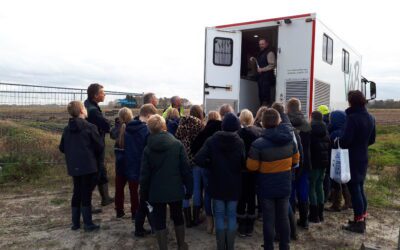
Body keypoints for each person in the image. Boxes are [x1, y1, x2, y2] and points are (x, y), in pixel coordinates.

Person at [247, 108, 299, 250]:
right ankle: (285, 246)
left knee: (269, 219)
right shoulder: (290, 140)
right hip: (284, 184)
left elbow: (251, 166)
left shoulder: (258, 144)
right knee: (283, 218)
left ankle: (268, 247)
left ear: (263, 123)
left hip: (266, 187)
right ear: (278, 121)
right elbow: (295, 161)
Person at [140, 114, 193, 250]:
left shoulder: (147, 149)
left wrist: (143, 193)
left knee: (159, 219)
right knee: (177, 216)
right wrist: (189, 188)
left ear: (149, 129)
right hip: (175, 189)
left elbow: (145, 175)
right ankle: (181, 245)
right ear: (165, 127)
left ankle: (163, 247)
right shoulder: (177, 144)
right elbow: (185, 169)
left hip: (156, 191)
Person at [195, 112, 245, 250]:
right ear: (236, 127)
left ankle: (221, 247)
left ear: (222, 126)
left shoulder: (212, 140)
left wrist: (210, 164)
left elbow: (198, 159)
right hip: (234, 185)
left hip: (216, 184)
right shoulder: (239, 142)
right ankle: (230, 247)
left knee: (219, 216)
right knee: (231, 216)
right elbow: (244, 163)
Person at [59, 101, 104, 232]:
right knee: (86, 194)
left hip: (74, 166)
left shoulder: (67, 129)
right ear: (82, 111)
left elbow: (62, 147)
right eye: (84, 107)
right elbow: (99, 146)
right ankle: (88, 224)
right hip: (89, 166)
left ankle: (75, 223)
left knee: (77, 193)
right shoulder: (90, 127)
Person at [339, 90, 376, 234]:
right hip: (363, 156)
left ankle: (358, 222)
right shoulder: (371, 117)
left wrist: (337, 141)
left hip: (352, 158)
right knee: (360, 188)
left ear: (351, 102)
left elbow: (346, 140)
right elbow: (372, 139)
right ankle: (362, 218)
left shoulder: (352, 118)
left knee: (354, 190)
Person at [123, 104, 157, 237]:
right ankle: (153, 226)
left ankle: (140, 228)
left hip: (131, 167)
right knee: (147, 200)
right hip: (144, 169)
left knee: (143, 199)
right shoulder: (145, 131)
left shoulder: (128, 128)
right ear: (149, 116)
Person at [271, 102, 301, 240]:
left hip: (280, 170)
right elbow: (298, 151)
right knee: (285, 202)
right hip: (290, 169)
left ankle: (284, 234)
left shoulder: (278, 128)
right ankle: (292, 231)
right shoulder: (291, 128)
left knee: (282, 204)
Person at [191, 110, 222, 234]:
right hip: (220, 168)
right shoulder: (222, 130)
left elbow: (194, 149)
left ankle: (209, 224)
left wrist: (205, 162)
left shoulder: (203, 131)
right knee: (218, 194)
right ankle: (218, 223)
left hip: (205, 167)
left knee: (207, 193)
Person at [84, 83, 114, 207]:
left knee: (101, 171)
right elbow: (106, 126)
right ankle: (85, 204)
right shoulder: (93, 111)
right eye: (102, 92)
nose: (104, 94)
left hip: (93, 144)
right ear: (95, 95)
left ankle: (105, 198)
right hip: (94, 146)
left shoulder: (88, 104)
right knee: (95, 174)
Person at [175, 105, 204, 227]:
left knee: (185, 190)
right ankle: (196, 218)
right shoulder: (200, 125)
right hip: (196, 161)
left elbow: (177, 140)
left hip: (183, 161)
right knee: (197, 189)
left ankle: (187, 220)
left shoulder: (181, 124)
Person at [236, 109, 263, 237]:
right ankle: (250, 226)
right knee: (252, 197)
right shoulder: (258, 132)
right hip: (254, 170)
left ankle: (241, 225)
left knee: (241, 197)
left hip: (241, 170)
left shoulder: (238, 133)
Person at [287, 98, 312, 229]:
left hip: (291, 162)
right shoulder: (307, 124)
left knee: (290, 191)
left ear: (288, 108)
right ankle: (304, 221)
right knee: (303, 191)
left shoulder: (287, 124)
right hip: (305, 162)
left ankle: (291, 222)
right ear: (299, 108)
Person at [326, 110, 352, 212]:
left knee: (336, 182)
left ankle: (336, 204)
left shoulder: (335, 133)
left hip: (335, 161)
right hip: (345, 160)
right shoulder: (346, 130)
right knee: (344, 182)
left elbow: (331, 148)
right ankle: (348, 202)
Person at [308, 111, 331, 223]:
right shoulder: (326, 131)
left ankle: (313, 215)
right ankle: (321, 214)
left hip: (314, 163)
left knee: (311, 187)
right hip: (323, 164)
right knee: (320, 186)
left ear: (312, 118)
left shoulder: (310, 130)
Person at [113, 107, 135, 219]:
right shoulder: (134, 128)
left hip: (120, 163)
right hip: (132, 163)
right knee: (134, 189)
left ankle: (119, 211)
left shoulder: (116, 129)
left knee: (119, 189)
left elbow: (112, 133)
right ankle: (135, 212)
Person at [250, 38, 276, 106]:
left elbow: (272, 65)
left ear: (267, 44)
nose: (261, 45)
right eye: (260, 44)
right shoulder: (261, 53)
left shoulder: (270, 53)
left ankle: (265, 112)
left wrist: (262, 69)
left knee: (265, 98)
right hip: (261, 79)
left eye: (262, 44)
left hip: (267, 79)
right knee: (261, 96)